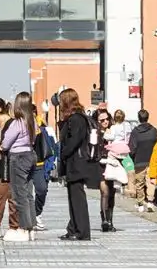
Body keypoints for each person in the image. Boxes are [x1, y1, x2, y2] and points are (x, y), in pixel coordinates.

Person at [56, 88, 97, 241]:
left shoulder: (76, 119)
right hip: (75, 163)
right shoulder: (75, 118)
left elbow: (73, 141)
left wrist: (64, 152)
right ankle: (73, 227)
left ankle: (82, 231)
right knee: (73, 196)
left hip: (77, 163)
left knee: (77, 197)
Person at [0, 92, 38, 242]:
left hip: (18, 157)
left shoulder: (17, 122)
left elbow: (7, 141)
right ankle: (31, 228)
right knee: (28, 193)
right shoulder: (32, 121)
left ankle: (23, 228)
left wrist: (2, 147)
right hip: (30, 154)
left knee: (18, 194)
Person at [93, 109, 130, 232]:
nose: (105, 122)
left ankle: (110, 221)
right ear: (97, 121)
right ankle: (104, 220)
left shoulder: (114, 130)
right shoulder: (96, 133)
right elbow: (92, 150)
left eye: (107, 119)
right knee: (105, 192)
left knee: (112, 193)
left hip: (114, 164)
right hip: (101, 165)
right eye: (102, 120)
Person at [0, 97, 18, 236]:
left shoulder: (11, 123)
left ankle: (12, 227)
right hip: (1, 165)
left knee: (4, 195)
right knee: (0, 195)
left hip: (11, 165)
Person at [127, 109, 157, 212]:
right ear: (148, 117)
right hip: (151, 160)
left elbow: (132, 148)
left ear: (138, 118)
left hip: (139, 160)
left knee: (139, 183)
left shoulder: (135, 132)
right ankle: (150, 202)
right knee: (151, 182)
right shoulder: (154, 130)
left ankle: (140, 203)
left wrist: (133, 157)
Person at [32, 112, 56, 231]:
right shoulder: (19, 126)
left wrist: (50, 164)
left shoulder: (44, 129)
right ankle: (27, 218)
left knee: (42, 189)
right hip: (23, 163)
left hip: (39, 164)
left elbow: (52, 147)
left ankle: (37, 213)